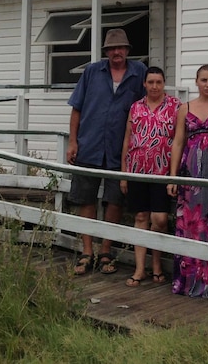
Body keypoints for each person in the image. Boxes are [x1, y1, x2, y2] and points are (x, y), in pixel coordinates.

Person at [66, 28, 147, 276]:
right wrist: (72, 142)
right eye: (112, 48)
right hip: (89, 145)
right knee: (85, 199)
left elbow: (148, 108)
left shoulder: (139, 73)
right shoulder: (92, 72)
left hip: (120, 150)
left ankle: (106, 251)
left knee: (115, 200)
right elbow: (77, 109)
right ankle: (87, 251)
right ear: (106, 52)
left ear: (128, 50)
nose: (116, 52)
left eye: (120, 48)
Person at [166, 64, 208, 298]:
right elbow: (178, 142)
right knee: (189, 223)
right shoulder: (185, 108)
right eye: (203, 80)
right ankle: (186, 280)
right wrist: (173, 177)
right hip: (189, 172)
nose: (207, 84)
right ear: (196, 81)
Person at [120, 67, 181, 287]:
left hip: (162, 172)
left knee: (160, 219)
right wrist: (124, 174)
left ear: (164, 83)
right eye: (151, 82)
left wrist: (175, 175)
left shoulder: (175, 106)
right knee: (140, 217)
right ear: (144, 84)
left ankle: (157, 263)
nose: (154, 86)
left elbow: (180, 140)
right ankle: (140, 269)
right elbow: (128, 139)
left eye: (158, 82)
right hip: (137, 170)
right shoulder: (136, 107)